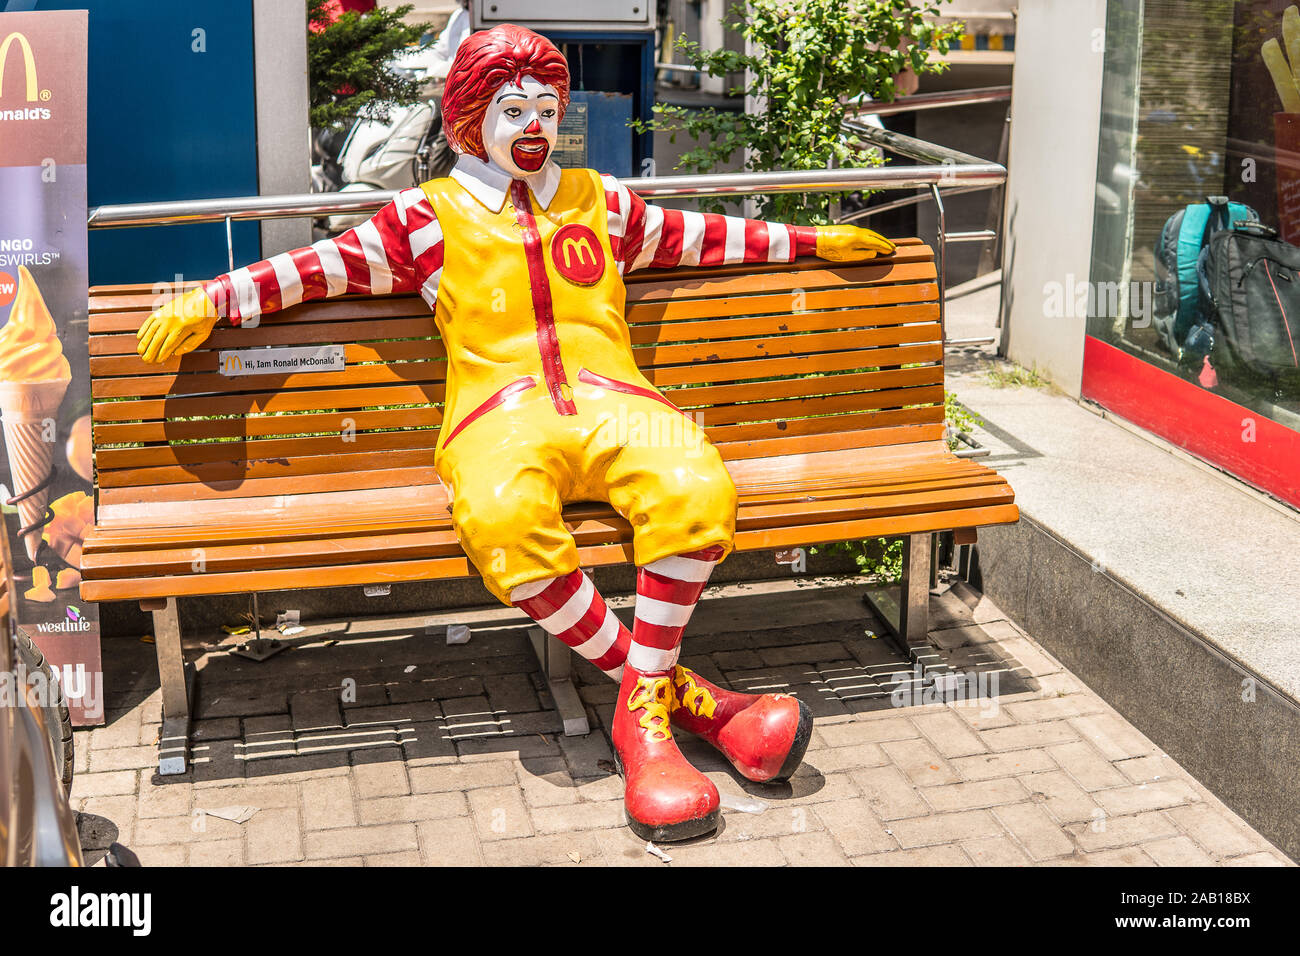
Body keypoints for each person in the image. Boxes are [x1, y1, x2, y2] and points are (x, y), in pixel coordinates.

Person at [137, 24, 895, 842]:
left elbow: (709, 237)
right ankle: (691, 707)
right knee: (503, 521)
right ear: (469, 118)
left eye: (544, 107)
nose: (533, 125)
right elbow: (315, 270)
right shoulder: (422, 220)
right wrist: (213, 298)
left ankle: (644, 719)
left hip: (615, 402)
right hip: (498, 420)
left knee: (695, 483)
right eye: (511, 109)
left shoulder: (600, 203)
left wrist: (815, 241)